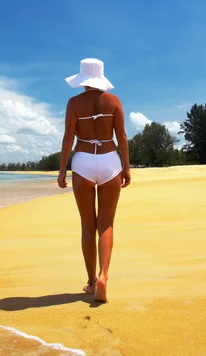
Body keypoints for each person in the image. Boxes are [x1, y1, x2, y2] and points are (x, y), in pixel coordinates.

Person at [57, 58, 131, 302]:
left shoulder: (73, 103)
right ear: (100, 77)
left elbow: (69, 138)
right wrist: (126, 168)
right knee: (106, 225)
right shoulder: (114, 101)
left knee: (88, 224)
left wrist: (62, 170)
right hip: (110, 160)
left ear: (82, 78)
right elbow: (121, 136)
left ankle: (90, 282)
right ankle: (103, 276)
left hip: (84, 162)